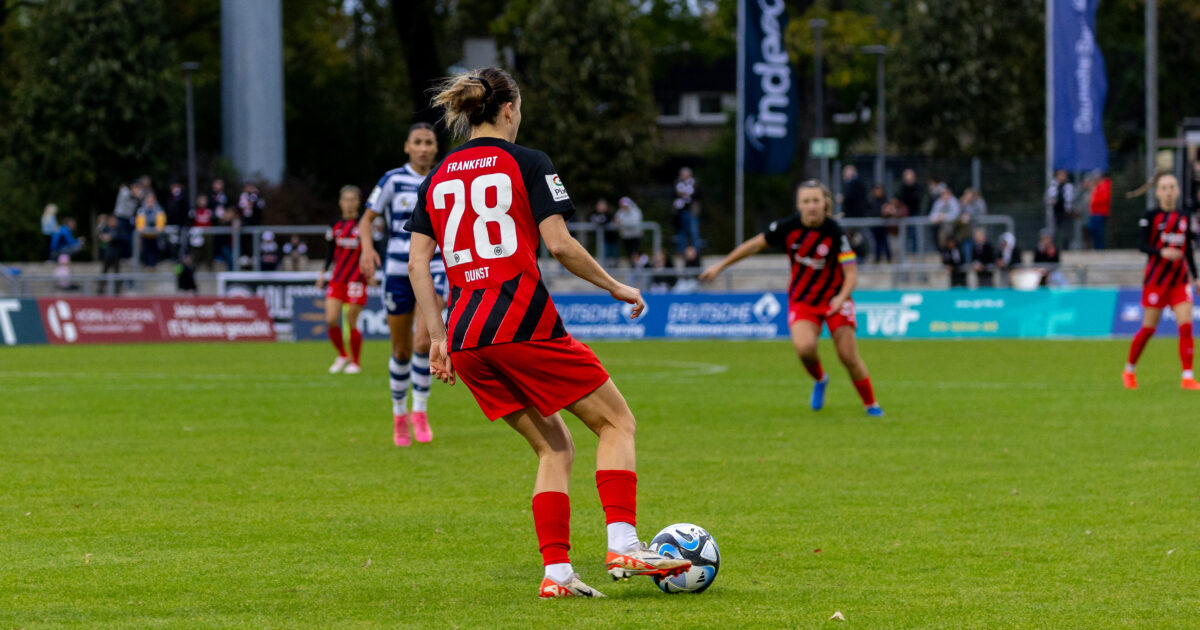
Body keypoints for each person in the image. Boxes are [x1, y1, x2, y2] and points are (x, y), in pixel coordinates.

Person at [406, 68, 690, 598]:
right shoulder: (529, 162)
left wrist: (439, 337)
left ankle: (557, 573)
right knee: (617, 423)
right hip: (521, 325)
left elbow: (417, 264)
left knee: (554, 448)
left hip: (467, 340)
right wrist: (615, 286)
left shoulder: (437, 175)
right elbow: (558, 244)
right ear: (508, 108)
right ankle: (624, 544)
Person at [700, 179, 883, 417]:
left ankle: (871, 404)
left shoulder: (835, 232)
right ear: (799, 205)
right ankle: (820, 379)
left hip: (835, 300)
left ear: (824, 203)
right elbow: (754, 246)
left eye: (816, 200)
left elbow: (851, 274)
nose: (812, 205)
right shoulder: (787, 227)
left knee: (847, 355)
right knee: (805, 349)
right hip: (803, 301)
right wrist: (721, 266)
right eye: (806, 201)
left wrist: (841, 298)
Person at [359, 122, 446, 447]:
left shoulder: (444, 178)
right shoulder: (393, 179)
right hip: (397, 271)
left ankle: (419, 411)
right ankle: (399, 414)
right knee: (401, 349)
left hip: (434, 268)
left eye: (428, 142)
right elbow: (366, 219)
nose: (423, 148)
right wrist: (367, 250)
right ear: (407, 147)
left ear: (435, 148)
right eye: (417, 142)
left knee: (424, 342)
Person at [1122, 173, 1200, 391]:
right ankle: (1129, 370)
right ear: (1157, 193)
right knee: (1148, 329)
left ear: (1178, 191)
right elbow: (1142, 246)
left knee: (1186, 326)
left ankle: (1187, 377)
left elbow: (1188, 251)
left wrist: (1196, 277)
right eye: (1164, 188)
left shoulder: (1184, 217)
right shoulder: (1151, 216)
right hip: (1156, 281)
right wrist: (1161, 252)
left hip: (1179, 281)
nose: (1168, 192)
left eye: (1172, 187)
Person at [317, 186, 368, 375]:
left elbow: (373, 248)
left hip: (357, 279)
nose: (348, 203)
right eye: (345, 199)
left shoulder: (364, 223)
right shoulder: (335, 224)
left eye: (352, 199)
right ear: (340, 202)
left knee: (351, 320)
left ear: (358, 202)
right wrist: (323, 272)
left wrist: (371, 271)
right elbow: (330, 250)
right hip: (337, 278)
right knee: (331, 319)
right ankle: (342, 355)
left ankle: (356, 362)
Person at [1044, 170, 1076, 251]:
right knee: (1053, 232)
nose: (1062, 177)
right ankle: (1053, 249)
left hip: (1066, 214)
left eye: (1063, 175)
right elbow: (1046, 198)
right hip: (1055, 213)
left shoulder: (1069, 186)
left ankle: (1066, 249)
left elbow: (1073, 199)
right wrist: (1051, 201)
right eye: (1060, 175)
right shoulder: (1053, 186)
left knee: (1066, 233)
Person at [673, 167, 701, 252]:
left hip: (692, 211)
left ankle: (696, 252)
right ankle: (682, 251)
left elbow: (699, 195)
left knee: (694, 231)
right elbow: (674, 195)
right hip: (681, 211)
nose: (683, 176)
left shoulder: (695, 182)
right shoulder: (678, 182)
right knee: (682, 232)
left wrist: (688, 194)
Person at [136, 193, 166, 269]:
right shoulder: (141, 210)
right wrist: (141, 228)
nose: (150, 202)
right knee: (145, 250)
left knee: (154, 250)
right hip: (145, 235)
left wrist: (159, 228)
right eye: (148, 200)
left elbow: (161, 221)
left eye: (151, 200)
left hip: (155, 235)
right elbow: (139, 221)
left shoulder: (159, 210)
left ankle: (153, 265)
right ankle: (146, 264)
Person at [614, 197, 644, 266]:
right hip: (626, 236)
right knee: (629, 253)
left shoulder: (635, 211)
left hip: (635, 235)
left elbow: (635, 222)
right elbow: (616, 221)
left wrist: (622, 223)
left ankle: (637, 266)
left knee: (635, 253)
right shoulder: (620, 212)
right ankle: (632, 266)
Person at [1087, 171, 1112, 250]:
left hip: (1100, 212)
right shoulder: (1097, 187)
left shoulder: (1104, 186)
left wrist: (1094, 201)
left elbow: (1104, 199)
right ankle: (1096, 247)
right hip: (1094, 212)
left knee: (1099, 232)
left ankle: (1100, 248)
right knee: (1093, 231)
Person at [590, 199, 619, 266]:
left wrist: (599, 221)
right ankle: (605, 268)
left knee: (615, 254)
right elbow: (593, 220)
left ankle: (615, 267)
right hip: (603, 239)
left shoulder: (609, 213)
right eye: (599, 205)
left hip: (613, 238)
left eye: (602, 205)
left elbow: (605, 221)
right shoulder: (595, 213)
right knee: (605, 254)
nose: (601, 207)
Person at [868, 184, 891, 263]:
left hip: (884, 225)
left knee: (885, 242)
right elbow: (871, 212)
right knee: (876, 243)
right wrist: (881, 212)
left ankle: (889, 258)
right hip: (875, 226)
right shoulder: (872, 200)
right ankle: (877, 258)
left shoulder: (885, 200)